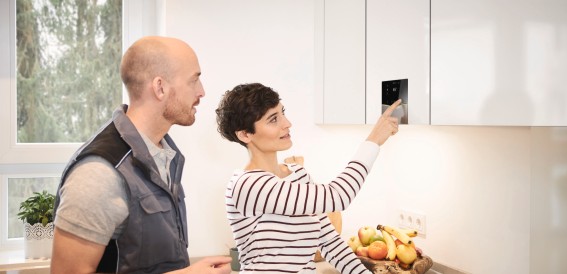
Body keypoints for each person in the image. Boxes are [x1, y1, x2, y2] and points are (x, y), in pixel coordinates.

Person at [51, 36, 232, 274]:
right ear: (160, 87)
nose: (202, 91)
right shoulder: (99, 173)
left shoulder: (165, 156)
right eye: (194, 80)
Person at [215, 83, 400, 273]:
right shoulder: (248, 185)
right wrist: (374, 140)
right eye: (273, 119)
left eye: (282, 113)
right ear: (245, 134)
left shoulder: (298, 174)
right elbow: (337, 196)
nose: (287, 123)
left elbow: (330, 242)